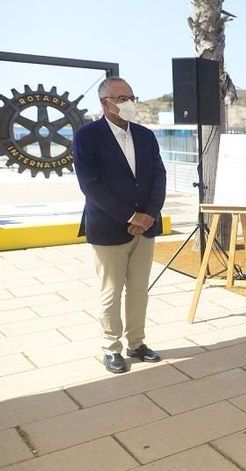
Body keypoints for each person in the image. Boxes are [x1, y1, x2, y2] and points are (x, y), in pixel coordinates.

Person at [72, 77, 166, 374]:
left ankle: (137, 343)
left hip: (147, 225)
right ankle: (111, 348)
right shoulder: (87, 136)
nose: (129, 103)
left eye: (131, 97)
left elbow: (159, 176)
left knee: (139, 289)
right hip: (109, 226)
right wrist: (130, 216)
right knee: (111, 291)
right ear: (105, 103)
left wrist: (148, 214)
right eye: (121, 98)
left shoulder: (146, 136)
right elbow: (90, 184)